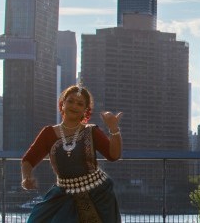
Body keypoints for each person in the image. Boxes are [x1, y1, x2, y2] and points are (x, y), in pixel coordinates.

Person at [21, 84, 124, 222]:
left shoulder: (91, 131)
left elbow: (114, 155)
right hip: (62, 195)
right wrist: (26, 178)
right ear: (62, 104)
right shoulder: (48, 133)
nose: (74, 106)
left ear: (85, 110)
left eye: (80, 104)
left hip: (97, 195)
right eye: (70, 101)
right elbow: (28, 160)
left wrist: (114, 129)